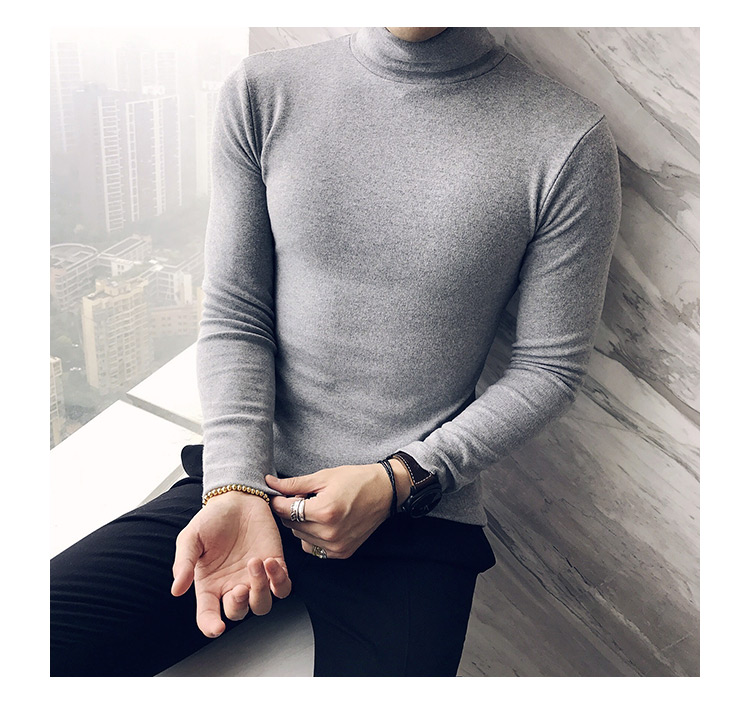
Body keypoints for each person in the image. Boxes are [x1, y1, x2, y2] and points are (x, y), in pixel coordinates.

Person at [50, 26, 621, 677]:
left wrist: (398, 480)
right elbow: (237, 311)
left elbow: (549, 369)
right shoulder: (264, 91)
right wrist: (232, 484)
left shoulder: (567, 140)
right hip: (254, 480)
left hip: (414, 514)